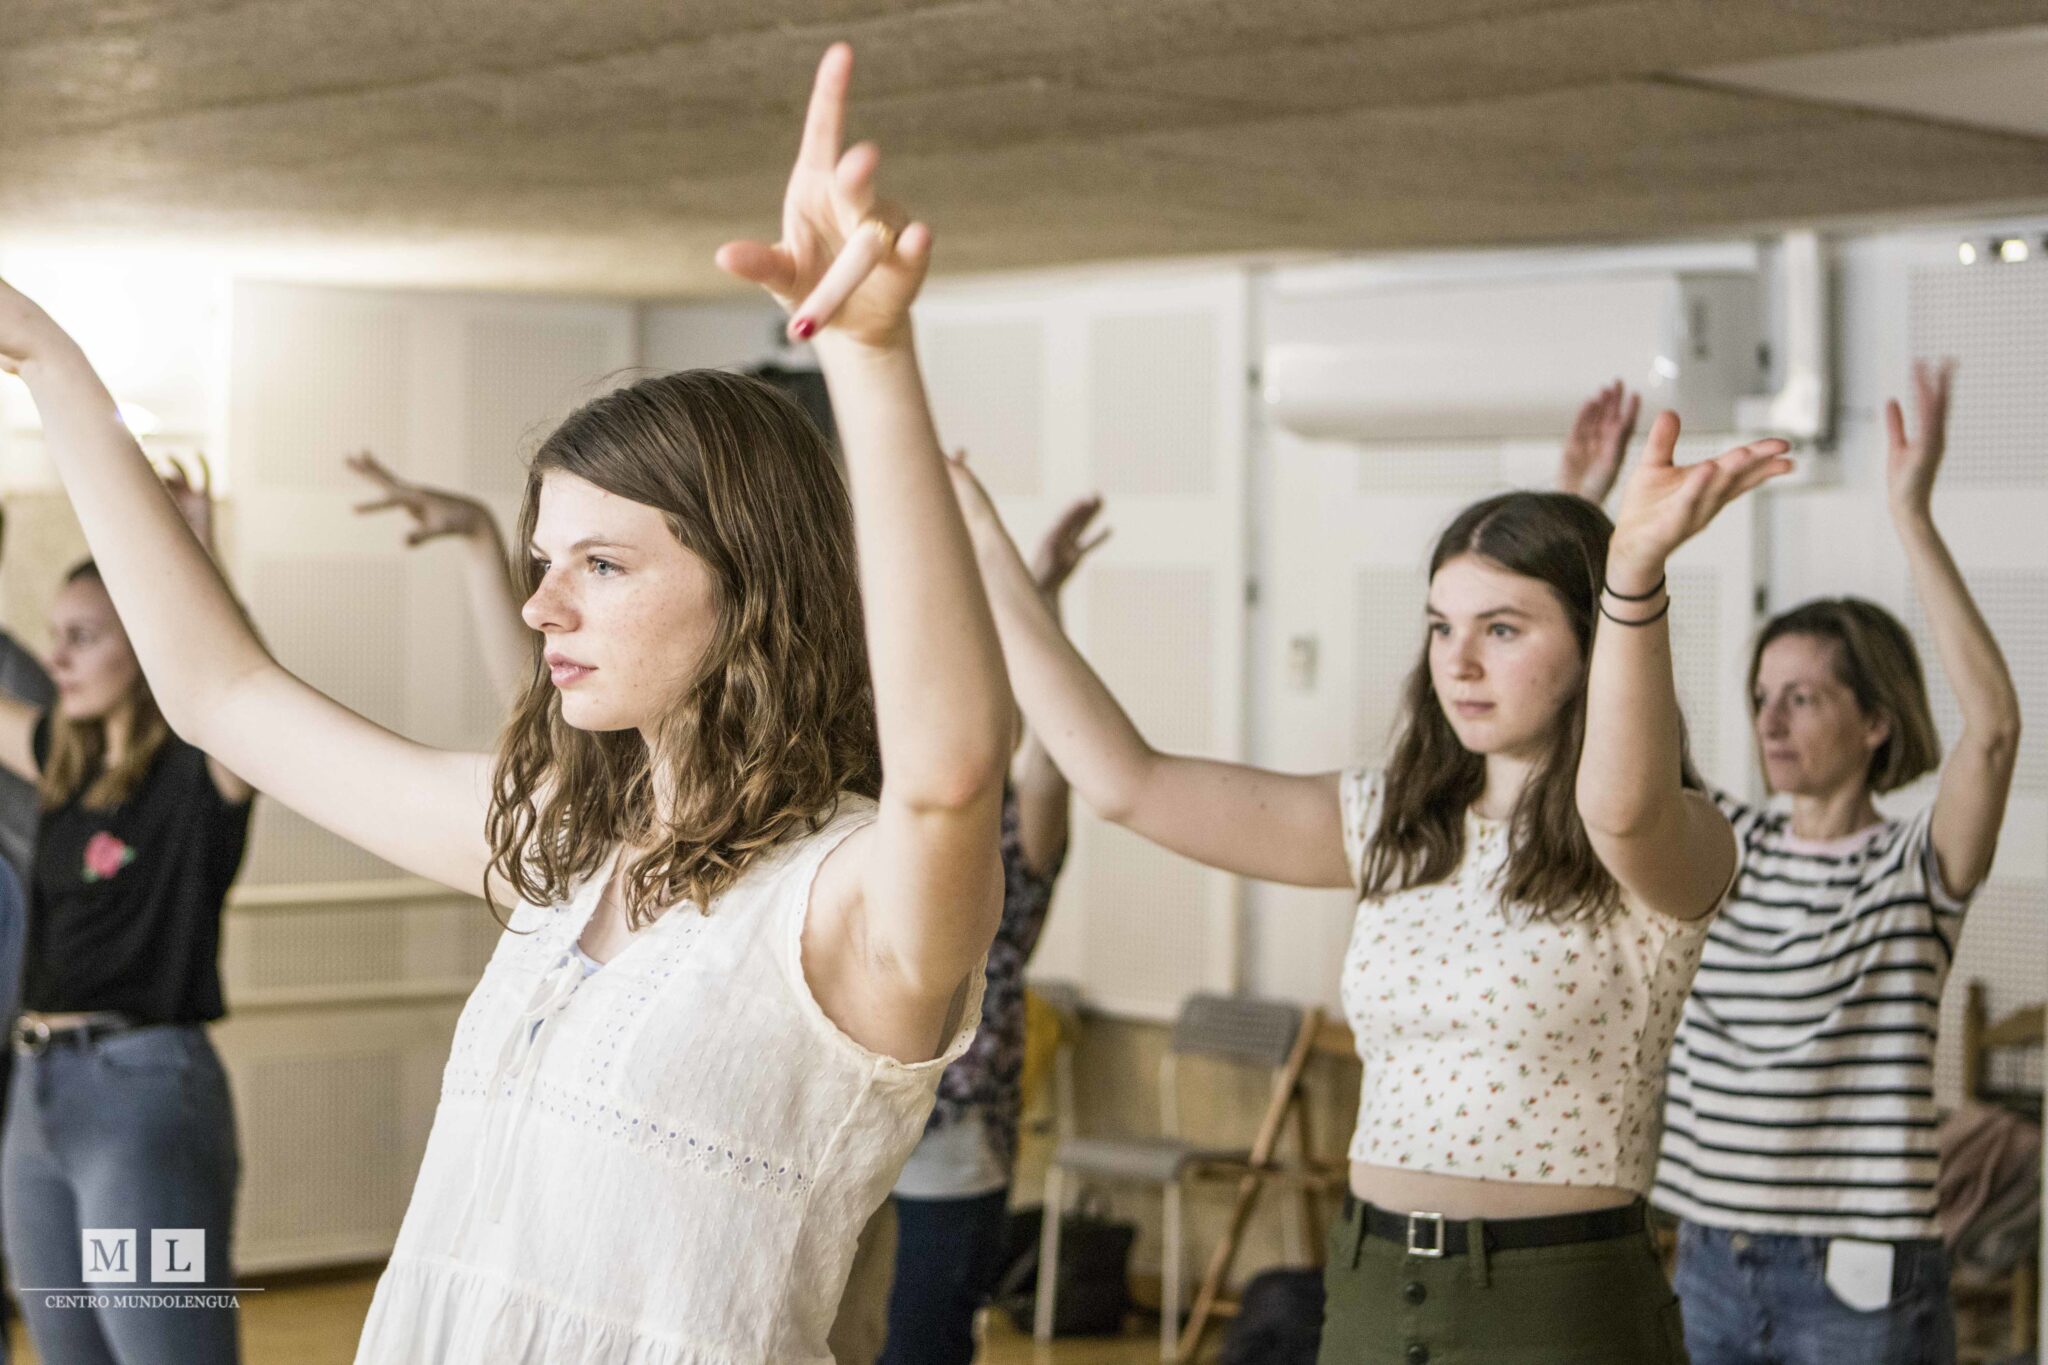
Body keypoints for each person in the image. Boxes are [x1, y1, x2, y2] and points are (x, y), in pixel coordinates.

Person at [0, 41, 1015, 1365]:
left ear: (751, 586)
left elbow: (952, 771)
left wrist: (872, 357)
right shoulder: (553, 837)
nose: (545, 610)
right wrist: (48, 360)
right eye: (545, 562)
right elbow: (220, 690)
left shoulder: (846, 905)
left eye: (603, 564)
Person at [947, 411, 1792, 1361]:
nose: (1458, 662)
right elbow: (1124, 781)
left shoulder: (1673, 834)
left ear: (1592, 644)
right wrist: (984, 549)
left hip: (1556, 1302)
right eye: (1442, 627)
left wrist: (1634, 572)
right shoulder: (1394, 820)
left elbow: (1620, 807)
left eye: (1502, 629)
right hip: (1372, 1282)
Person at [1648, 363, 2021, 1365]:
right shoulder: (1716, 846)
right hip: (1708, 1265)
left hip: (1857, 1280)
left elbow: (1988, 735)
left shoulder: (1913, 868)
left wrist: (1909, 517)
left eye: (1803, 697)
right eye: (1762, 693)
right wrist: (1623, 539)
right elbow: (1616, 737)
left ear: (1872, 724)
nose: (1768, 718)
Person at [0, 461, 251, 1365]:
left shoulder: (197, 774)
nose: (56, 656)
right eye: (55, 635)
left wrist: (190, 551)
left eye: (84, 637)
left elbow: (233, 675)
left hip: (140, 1094)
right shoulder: (60, 766)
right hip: (36, 1098)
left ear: (141, 644)